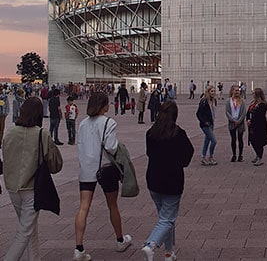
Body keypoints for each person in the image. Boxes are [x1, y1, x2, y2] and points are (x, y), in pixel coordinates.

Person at [3, 97, 63, 261]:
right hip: (31, 188)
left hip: (12, 188)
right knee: (24, 232)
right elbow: (56, 165)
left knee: (29, 228)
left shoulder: (10, 133)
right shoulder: (41, 133)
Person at [74, 92, 133, 260]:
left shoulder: (83, 123)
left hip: (87, 168)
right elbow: (111, 147)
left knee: (84, 206)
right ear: (103, 105)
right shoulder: (109, 122)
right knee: (112, 205)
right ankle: (120, 240)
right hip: (105, 168)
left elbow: (80, 146)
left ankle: (79, 248)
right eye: (107, 103)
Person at [141, 101, 193, 261]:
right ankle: (151, 244)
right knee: (167, 219)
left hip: (153, 180)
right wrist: (179, 162)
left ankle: (169, 252)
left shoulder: (151, 133)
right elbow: (188, 153)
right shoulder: (178, 133)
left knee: (164, 218)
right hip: (172, 181)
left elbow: (149, 153)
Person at [246, 88, 267, 166]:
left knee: (258, 141)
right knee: (252, 141)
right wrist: (248, 119)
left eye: (254, 93)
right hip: (252, 125)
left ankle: (259, 157)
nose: (252, 95)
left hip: (259, 126)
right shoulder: (253, 103)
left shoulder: (262, 104)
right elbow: (248, 112)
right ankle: (257, 155)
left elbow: (259, 116)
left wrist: (251, 121)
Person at [197, 85, 218, 166]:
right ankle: (211, 157)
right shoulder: (204, 101)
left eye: (214, 91)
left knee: (207, 140)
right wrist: (204, 121)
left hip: (211, 123)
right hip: (205, 124)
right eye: (211, 91)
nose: (213, 93)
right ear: (208, 92)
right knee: (214, 141)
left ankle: (203, 157)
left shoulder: (214, 101)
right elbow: (198, 113)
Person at [225, 85, 247, 162]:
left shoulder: (242, 101)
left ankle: (240, 155)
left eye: (238, 90)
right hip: (232, 122)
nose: (237, 92)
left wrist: (239, 121)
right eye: (236, 90)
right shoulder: (228, 101)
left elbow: (244, 112)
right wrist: (233, 120)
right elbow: (227, 112)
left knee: (240, 139)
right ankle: (234, 155)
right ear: (232, 91)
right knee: (233, 139)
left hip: (240, 123)